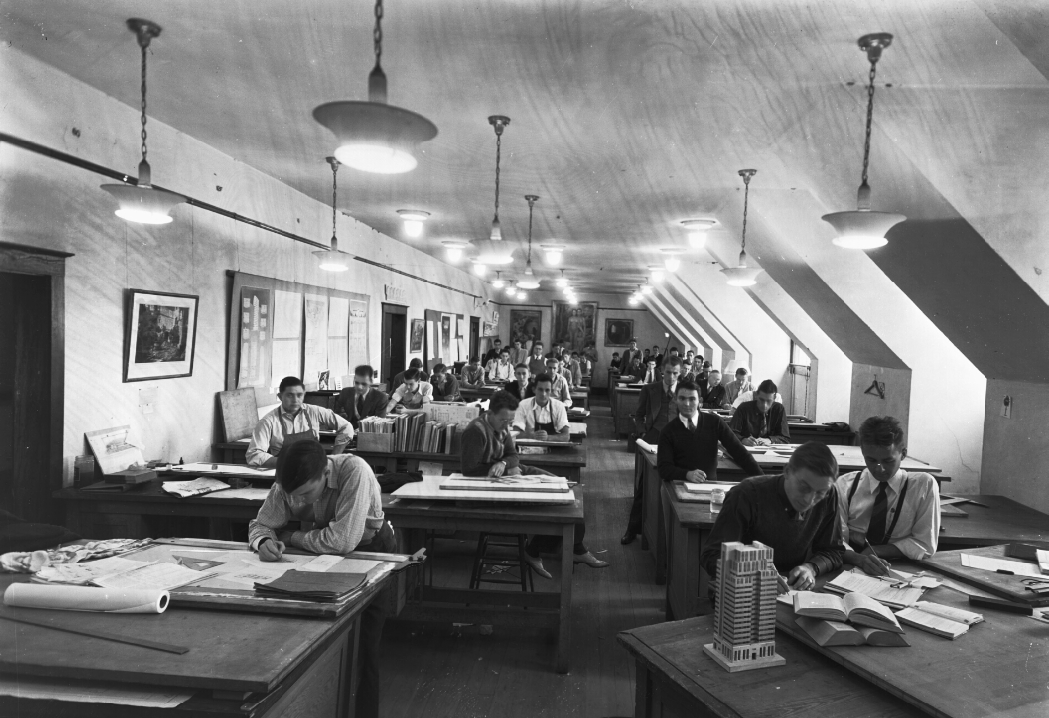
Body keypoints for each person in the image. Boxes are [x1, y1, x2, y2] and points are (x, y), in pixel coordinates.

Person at [248, 440, 391, 718]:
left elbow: (343, 540)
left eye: (304, 493)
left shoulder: (354, 471)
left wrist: (292, 538)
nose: (298, 501)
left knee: (363, 646)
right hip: (320, 554)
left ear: (326, 472)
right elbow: (261, 523)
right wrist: (263, 539)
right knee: (316, 638)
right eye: (293, 495)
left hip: (369, 552)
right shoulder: (290, 478)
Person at [460, 390, 608, 575]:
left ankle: (561, 549)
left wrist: (504, 463)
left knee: (570, 488)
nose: (507, 425)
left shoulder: (502, 425)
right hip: (494, 486)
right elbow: (469, 469)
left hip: (514, 472)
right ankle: (559, 550)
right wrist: (506, 468)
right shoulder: (475, 431)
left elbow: (513, 455)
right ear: (489, 414)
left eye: (509, 421)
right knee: (562, 504)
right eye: (503, 420)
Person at [700, 441, 845, 593]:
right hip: (741, 592)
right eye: (804, 487)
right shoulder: (746, 495)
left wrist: (811, 568)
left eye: (820, 493)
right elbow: (711, 556)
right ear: (787, 471)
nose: (809, 500)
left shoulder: (829, 494)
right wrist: (754, 573)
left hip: (791, 591)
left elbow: (833, 551)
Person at [836, 416, 940, 576]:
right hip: (852, 565)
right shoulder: (845, 484)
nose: (879, 469)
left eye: (888, 461)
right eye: (871, 460)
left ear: (903, 454)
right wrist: (859, 559)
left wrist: (876, 552)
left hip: (899, 567)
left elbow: (925, 544)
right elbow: (835, 539)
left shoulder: (923, 485)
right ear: (862, 453)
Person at [622, 356, 682, 544]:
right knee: (646, 484)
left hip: (677, 440)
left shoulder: (685, 391)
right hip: (653, 438)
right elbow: (639, 415)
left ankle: (669, 536)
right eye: (669, 372)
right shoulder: (650, 389)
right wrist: (642, 433)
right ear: (662, 371)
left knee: (675, 483)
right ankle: (632, 529)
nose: (671, 377)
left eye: (676, 373)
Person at [656, 380, 763, 485]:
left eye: (692, 399)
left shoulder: (714, 422)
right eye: (682, 398)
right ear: (676, 399)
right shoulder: (668, 431)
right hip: (678, 486)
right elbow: (664, 469)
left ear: (700, 401)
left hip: (709, 486)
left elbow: (739, 452)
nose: (687, 404)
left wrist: (763, 480)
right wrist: (687, 474)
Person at [247, 376, 354, 468]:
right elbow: (254, 455)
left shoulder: (314, 412)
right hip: (285, 474)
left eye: (299, 395)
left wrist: (333, 458)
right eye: (290, 395)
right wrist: (288, 464)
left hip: (314, 472)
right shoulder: (268, 421)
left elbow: (346, 427)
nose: (295, 400)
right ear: (280, 397)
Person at [730, 379, 790, 445]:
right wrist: (742, 439)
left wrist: (770, 440)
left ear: (774, 398)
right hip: (747, 451)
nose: (764, 405)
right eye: (761, 400)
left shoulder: (779, 409)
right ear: (756, 395)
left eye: (769, 401)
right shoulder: (743, 408)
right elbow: (730, 433)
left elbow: (785, 438)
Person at [512, 373, 570, 442]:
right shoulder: (523, 405)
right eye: (540, 389)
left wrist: (548, 437)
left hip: (554, 449)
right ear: (534, 390)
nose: (543, 394)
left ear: (551, 391)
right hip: (529, 448)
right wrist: (532, 436)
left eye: (547, 390)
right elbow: (515, 434)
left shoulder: (559, 406)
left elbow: (566, 436)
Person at [334, 364, 389, 429]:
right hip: (346, 432)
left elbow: (379, 425)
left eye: (364, 384)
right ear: (354, 379)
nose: (359, 387)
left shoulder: (380, 398)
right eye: (356, 383)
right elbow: (337, 415)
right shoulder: (345, 392)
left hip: (368, 435)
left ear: (371, 381)